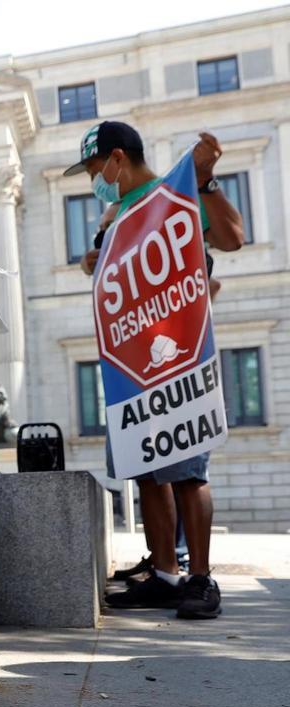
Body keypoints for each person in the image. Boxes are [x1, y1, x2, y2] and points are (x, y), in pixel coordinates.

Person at [64, 120, 245, 620]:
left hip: (178, 357)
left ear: (118, 159)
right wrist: (91, 259)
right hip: (130, 362)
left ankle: (201, 578)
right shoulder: (116, 212)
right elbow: (97, 262)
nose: (92, 180)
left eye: (96, 169)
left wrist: (206, 182)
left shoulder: (172, 197)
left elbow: (231, 238)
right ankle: (165, 574)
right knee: (147, 469)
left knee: (187, 469)